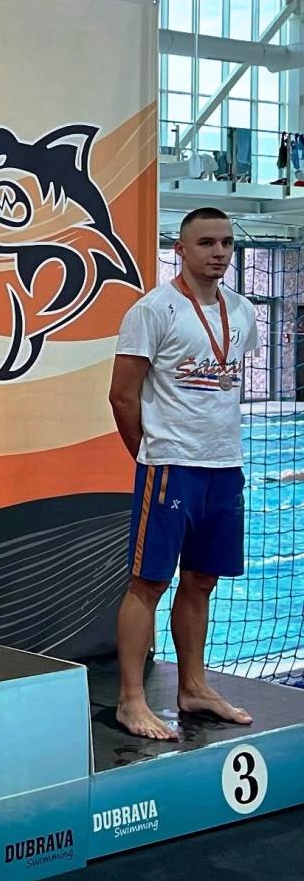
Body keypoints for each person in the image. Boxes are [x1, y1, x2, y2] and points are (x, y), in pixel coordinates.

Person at [108, 207, 258, 740]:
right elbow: (122, 396)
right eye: (206, 243)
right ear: (181, 249)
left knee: (202, 580)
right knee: (148, 582)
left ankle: (193, 686)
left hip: (225, 466)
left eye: (226, 243)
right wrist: (151, 454)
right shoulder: (154, 310)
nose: (219, 253)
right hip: (171, 467)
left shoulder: (242, 312)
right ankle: (130, 700)